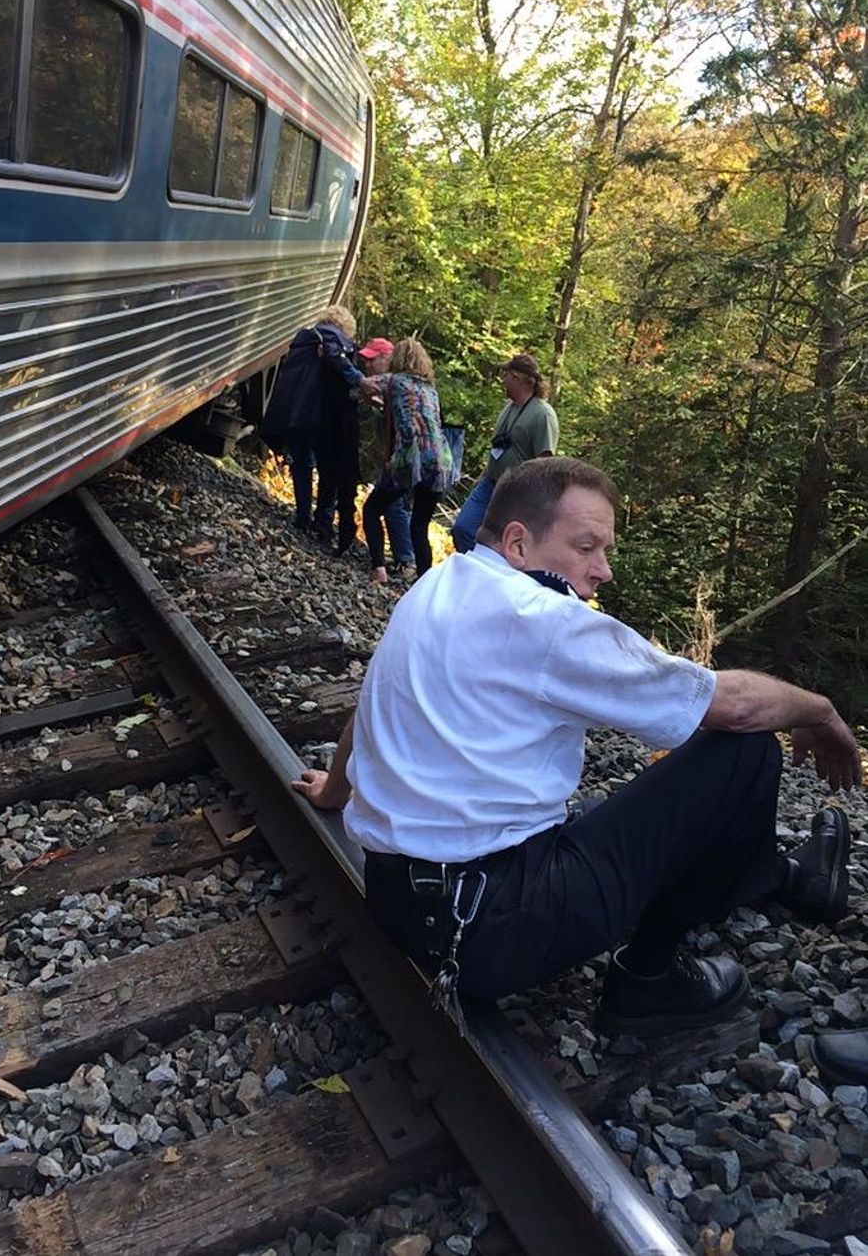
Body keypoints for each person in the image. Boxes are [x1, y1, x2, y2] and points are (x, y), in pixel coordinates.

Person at [293, 458, 861, 1039]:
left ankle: (783, 876)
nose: (603, 570)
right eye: (587, 547)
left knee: (601, 814)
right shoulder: (543, 620)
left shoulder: (439, 584)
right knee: (747, 754)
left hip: (399, 902)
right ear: (518, 543)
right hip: (489, 930)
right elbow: (732, 705)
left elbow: (374, 701)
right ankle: (648, 981)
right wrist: (818, 709)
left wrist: (336, 791)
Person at [358, 338, 454, 585]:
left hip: (410, 458)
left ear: (397, 360)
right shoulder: (430, 389)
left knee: (372, 510)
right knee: (419, 525)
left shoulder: (394, 380)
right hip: (441, 460)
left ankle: (379, 569)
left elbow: (363, 385)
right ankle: (424, 585)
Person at [259, 306, 360, 538]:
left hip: (295, 414)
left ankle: (302, 515)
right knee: (328, 470)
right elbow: (337, 360)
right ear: (345, 327)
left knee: (302, 464)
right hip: (323, 416)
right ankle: (323, 521)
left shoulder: (302, 339)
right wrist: (361, 380)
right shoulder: (334, 339)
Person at [451, 353, 558, 554]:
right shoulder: (509, 407)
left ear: (518, 378)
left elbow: (545, 463)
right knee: (463, 528)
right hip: (490, 483)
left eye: (506, 375)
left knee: (500, 544)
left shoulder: (542, 414)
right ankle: (475, 574)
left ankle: (489, 578)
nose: (503, 380)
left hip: (517, 493)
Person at [358, 337, 415, 575]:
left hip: (404, 457)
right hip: (410, 457)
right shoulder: (417, 384)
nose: (368, 365)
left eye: (372, 359)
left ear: (386, 359)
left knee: (390, 506)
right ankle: (406, 561)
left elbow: (359, 386)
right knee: (399, 507)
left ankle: (402, 560)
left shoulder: (393, 381)